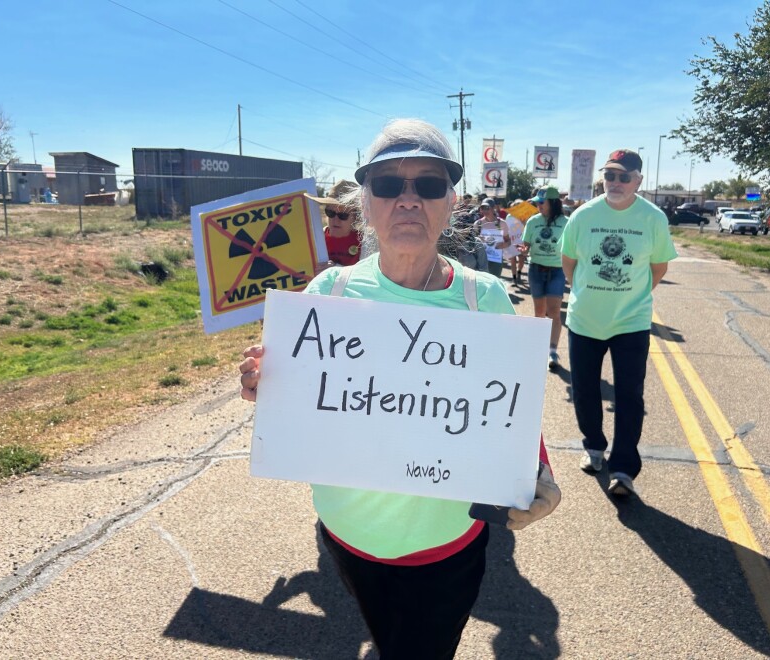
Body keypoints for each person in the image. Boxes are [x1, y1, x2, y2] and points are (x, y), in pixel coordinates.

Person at [239, 118, 561, 659]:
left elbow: (506, 403)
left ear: (450, 202)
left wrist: (539, 466)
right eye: (389, 185)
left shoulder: (484, 298)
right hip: (345, 536)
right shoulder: (330, 292)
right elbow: (305, 398)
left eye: (428, 185)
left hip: (445, 548)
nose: (407, 199)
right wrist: (266, 386)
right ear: (366, 203)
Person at [560, 149, 678, 497]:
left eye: (623, 177)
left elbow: (658, 267)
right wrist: (587, 293)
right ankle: (594, 447)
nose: (615, 182)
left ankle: (624, 468)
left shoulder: (652, 218)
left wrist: (633, 296)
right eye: (609, 176)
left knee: (630, 396)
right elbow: (569, 263)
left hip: (631, 321)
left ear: (638, 181)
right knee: (584, 389)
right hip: (584, 321)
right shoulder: (583, 216)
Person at [521, 184, 568, 371]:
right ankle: (540, 348)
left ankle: (552, 350)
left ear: (553, 202)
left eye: (542, 202)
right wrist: (523, 250)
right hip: (536, 269)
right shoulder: (533, 222)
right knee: (540, 312)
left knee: (554, 312)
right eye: (537, 202)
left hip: (557, 270)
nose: (539, 205)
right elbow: (525, 244)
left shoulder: (567, 222)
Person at [304, 179, 362, 266]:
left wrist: (334, 270)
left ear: (356, 217)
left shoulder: (364, 243)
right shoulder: (314, 239)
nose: (335, 219)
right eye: (330, 213)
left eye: (343, 215)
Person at [473, 198, 511, 278]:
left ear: (493, 208)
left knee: (494, 282)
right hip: (481, 259)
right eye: (483, 208)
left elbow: (508, 241)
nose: (485, 210)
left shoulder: (502, 224)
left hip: (496, 259)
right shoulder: (478, 224)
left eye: (487, 208)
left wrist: (503, 245)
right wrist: (478, 240)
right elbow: (473, 242)